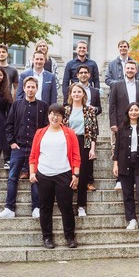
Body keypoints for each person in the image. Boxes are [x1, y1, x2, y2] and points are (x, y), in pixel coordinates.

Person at [0, 76, 48, 218]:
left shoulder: (43, 106)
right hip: (18, 147)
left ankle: (36, 208)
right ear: (24, 88)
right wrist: (11, 142)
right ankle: (9, 209)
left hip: (35, 148)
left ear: (37, 89)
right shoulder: (16, 104)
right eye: (28, 87)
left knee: (36, 178)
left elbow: (45, 128)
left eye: (33, 87)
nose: (30, 89)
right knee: (12, 177)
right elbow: (9, 125)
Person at [29, 104, 80, 249]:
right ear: (48, 116)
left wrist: (76, 174)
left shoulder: (69, 133)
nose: (55, 117)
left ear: (63, 118)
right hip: (44, 174)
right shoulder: (40, 133)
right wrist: (32, 172)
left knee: (67, 207)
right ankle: (47, 238)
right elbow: (33, 155)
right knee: (45, 208)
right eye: (52, 113)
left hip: (64, 173)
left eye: (58, 114)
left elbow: (76, 156)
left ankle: (70, 237)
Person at [113, 102, 139, 236]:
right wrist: (115, 164)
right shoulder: (122, 128)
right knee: (127, 193)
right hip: (124, 163)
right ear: (127, 112)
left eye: (136, 110)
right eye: (131, 110)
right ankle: (131, 219)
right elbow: (117, 147)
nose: (133, 112)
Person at [109, 60, 139, 190]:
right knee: (121, 150)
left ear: (136, 70)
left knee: (136, 149)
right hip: (121, 123)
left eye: (133, 68)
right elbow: (112, 106)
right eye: (128, 68)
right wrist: (113, 123)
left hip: (138, 123)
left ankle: (135, 177)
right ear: (124, 70)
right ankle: (120, 179)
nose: (130, 70)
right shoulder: (116, 86)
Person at [64, 83, 98, 217]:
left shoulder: (89, 110)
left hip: (84, 142)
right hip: (68, 142)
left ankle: (81, 206)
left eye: (79, 92)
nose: (76, 94)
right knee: (67, 173)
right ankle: (67, 205)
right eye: (74, 92)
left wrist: (92, 149)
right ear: (70, 94)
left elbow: (93, 131)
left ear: (83, 94)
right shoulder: (66, 110)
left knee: (83, 176)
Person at [76, 65, 102, 192]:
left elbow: (100, 108)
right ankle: (75, 179)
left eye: (86, 72)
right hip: (76, 125)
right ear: (77, 75)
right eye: (81, 73)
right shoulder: (73, 89)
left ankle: (89, 181)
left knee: (89, 155)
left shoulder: (95, 91)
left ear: (89, 75)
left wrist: (94, 109)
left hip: (89, 127)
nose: (83, 74)